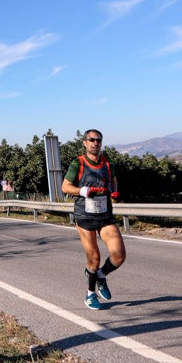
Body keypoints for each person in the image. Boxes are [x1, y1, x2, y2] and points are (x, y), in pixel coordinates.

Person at [62, 129, 126, 310]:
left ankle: (101, 275)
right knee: (94, 257)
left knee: (119, 255)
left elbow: (113, 180)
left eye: (98, 140)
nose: (95, 143)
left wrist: (113, 191)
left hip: (105, 215)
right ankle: (90, 294)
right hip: (85, 215)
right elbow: (66, 186)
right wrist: (82, 191)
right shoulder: (78, 163)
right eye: (91, 140)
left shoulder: (106, 162)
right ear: (85, 142)